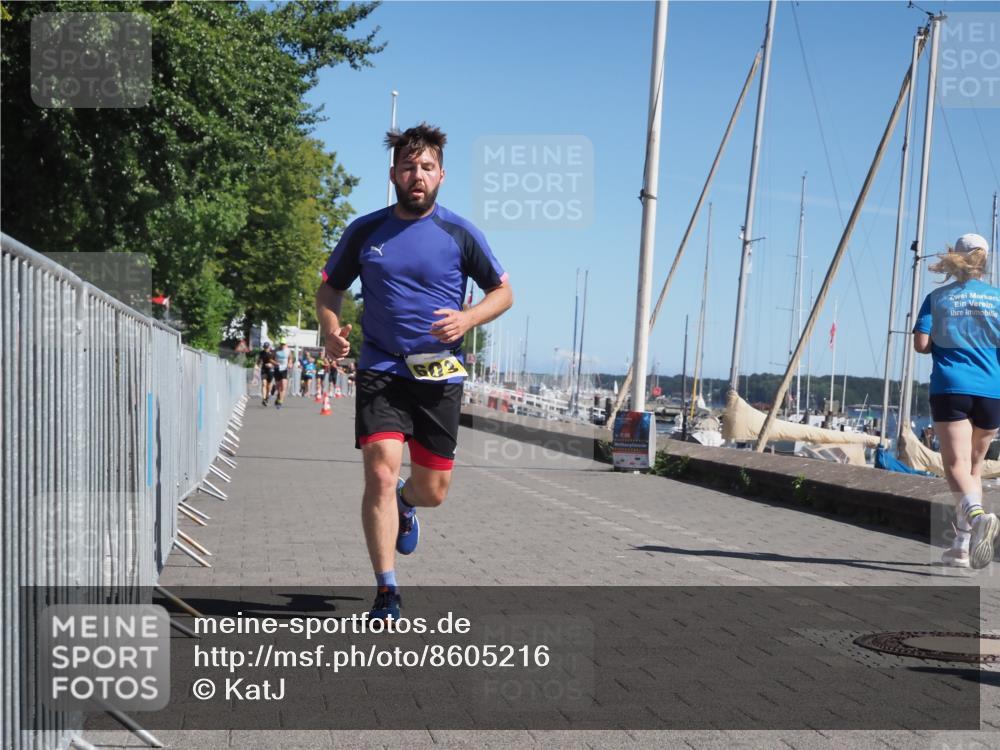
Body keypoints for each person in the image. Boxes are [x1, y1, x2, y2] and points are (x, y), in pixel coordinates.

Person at [315, 123, 513, 619]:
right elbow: (328, 290)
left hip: (439, 375)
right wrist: (330, 328)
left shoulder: (460, 234)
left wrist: (468, 318)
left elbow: (504, 292)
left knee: (433, 491)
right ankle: (386, 590)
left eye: (426, 167)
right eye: (409, 166)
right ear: (393, 174)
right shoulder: (365, 231)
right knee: (380, 474)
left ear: (441, 175)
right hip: (381, 367)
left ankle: (408, 503)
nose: (417, 175)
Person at [913, 233, 1000, 569]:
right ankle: (961, 547)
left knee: (954, 467)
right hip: (992, 390)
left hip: (952, 387)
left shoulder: (937, 298)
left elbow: (921, 345)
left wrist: (946, 339)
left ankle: (978, 521)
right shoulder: (997, 299)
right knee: (974, 468)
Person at [273, 341, 292, 408]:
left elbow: (290, 358)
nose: (282, 345)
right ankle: (277, 393)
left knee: (284, 386)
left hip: (284, 369)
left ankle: (280, 401)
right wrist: (274, 363)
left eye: (284, 344)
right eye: (281, 344)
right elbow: (271, 359)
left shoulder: (288, 351)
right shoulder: (276, 350)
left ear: (286, 344)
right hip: (277, 369)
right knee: (278, 387)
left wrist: (290, 363)